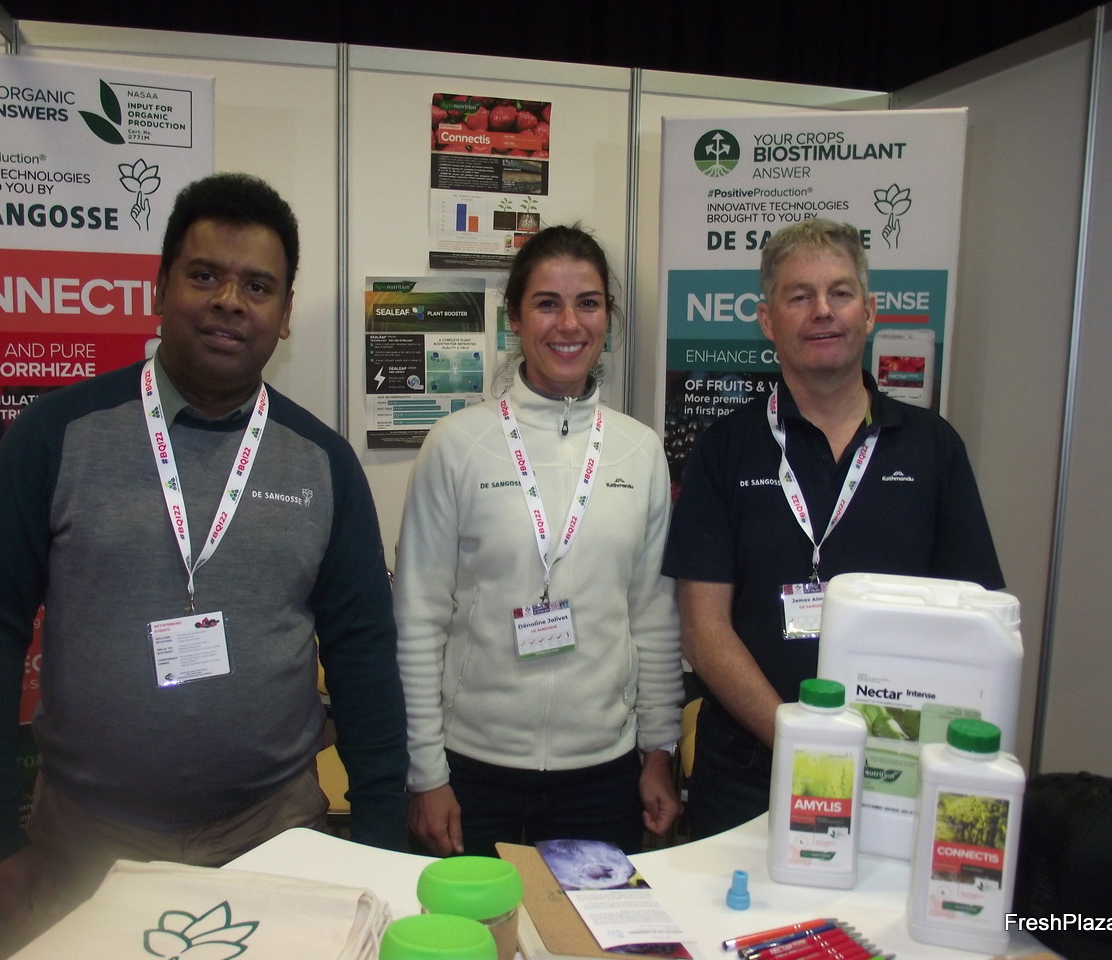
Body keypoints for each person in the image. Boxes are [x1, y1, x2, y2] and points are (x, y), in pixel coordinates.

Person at [0, 172, 408, 940]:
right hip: (89, 838)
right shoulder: (57, 436)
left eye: (258, 286)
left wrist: (381, 827)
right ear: (159, 288)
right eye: (205, 275)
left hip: (276, 833)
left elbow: (363, 652)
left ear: (285, 315)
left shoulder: (323, 462)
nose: (230, 301)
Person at [662, 218, 1004, 838]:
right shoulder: (726, 449)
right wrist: (804, 743)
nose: (823, 310)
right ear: (768, 321)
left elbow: (974, 623)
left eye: (840, 293)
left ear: (868, 312)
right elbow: (703, 629)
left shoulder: (932, 448)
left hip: (895, 774)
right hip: (748, 774)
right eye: (800, 296)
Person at [394, 225, 684, 859]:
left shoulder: (639, 451)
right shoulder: (457, 445)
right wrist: (426, 773)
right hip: (471, 769)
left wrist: (660, 749)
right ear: (515, 319)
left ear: (607, 317)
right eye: (547, 303)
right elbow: (417, 619)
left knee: (585, 925)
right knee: (474, 923)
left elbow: (653, 617)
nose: (569, 324)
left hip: (603, 772)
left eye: (588, 303)